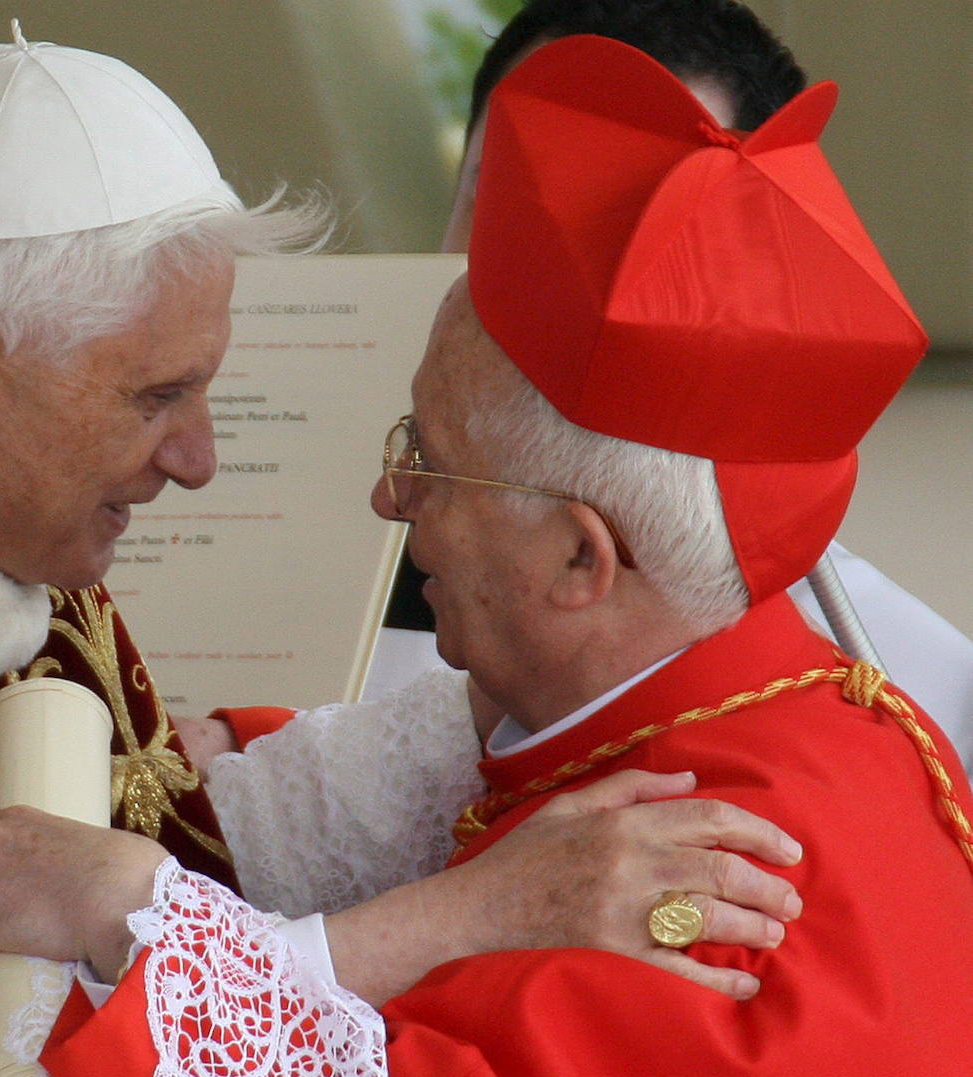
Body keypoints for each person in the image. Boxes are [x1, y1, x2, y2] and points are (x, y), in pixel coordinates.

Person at [0, 25, 798, 1077]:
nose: (198, 459)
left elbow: (128, 836)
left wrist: (551, 707)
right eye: (157, 396)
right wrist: (459, 916)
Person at [0, 35, 973, 1077]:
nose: (388, 493)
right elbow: (438, 753)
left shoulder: (693, 909)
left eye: (426, 456)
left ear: (579, 560)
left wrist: (136, 910)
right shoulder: (792, 707)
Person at [378, 0, 973, 766]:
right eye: (510, 207)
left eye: (642, 230)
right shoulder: (263, 515)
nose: (562, 290)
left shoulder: (920, 694)